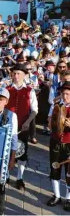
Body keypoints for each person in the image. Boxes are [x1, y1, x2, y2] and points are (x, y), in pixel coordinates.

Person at [6, 64, 38, 190]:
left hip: (23, 127)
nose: (16, 76)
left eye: (18, 73)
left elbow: (34, 110)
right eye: (14, 73)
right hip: (8, 126)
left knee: (22, 152)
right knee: (7, 151)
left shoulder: (30, 90)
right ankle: (6, 174)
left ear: (24, 75)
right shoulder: (7, 89)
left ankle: (20, 178)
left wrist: (27, 122)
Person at [46, 81, 70, 211]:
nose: (65, 96)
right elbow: (49, 122)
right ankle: (56, 195)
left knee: (69, 172)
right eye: (63, 93)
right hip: (55, 141)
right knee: (54, 167)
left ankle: (68, 198)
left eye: (67, 94)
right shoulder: (55, 105)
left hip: (69, 143)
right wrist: (52, 122)